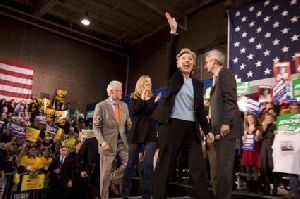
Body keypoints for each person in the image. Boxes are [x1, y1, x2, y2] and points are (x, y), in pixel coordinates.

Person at [151, 12, 214, 199]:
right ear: (178, 64)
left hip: (191, 131)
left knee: (198, 168)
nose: (187, 61)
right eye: (183, 59)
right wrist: (173, 32)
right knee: (165, 168)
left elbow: (200, 110)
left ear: (193, 65)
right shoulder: (174, 77)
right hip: (171, 127)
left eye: (190, 59)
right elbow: (170, 54)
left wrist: (208, 129)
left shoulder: (198, 84)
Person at [204, 49, 243, 199]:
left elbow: (230, 99)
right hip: (216, 133)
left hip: (225, 131)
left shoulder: (225, 73)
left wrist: (226, 122)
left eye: (207, 61)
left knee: (223, 172)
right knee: (216, 172)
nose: (206, 64)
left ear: (213, 61)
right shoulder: (216, 78)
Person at [121, 75, 161, 199]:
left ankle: (147, 195)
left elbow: (153, 114)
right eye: (147, 82)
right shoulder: (134, 98)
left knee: (149, 163)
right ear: (141, 84)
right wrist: (143, 99)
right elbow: (135, 111)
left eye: (150, 82)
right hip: (136, 132)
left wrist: (152, 102)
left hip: (150, 133)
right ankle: (125, 194)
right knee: (131, 163)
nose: (149, 84)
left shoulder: (154, 99)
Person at [93, 80, 132, 198]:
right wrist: (102, 142)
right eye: (119, 90)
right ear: (111, 92)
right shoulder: (101, 106)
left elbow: (129, 124)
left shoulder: (124, 105)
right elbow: (96, 127)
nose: (121, 93)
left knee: (129, 163)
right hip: (107, 143)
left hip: (122, 142)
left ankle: (113, 178)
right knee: (104, 174)